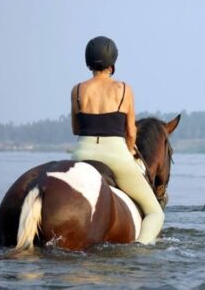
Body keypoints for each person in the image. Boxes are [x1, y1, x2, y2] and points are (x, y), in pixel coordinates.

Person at [70, 36, 164, 245]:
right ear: (113, 63)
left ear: (88, 62)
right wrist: (129, 151)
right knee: (155, 213)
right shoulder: (123, 89)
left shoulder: (77, 90)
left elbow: (76, 128)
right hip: (115, 154)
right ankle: (139, 247)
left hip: (82, 154)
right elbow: (131, 132)